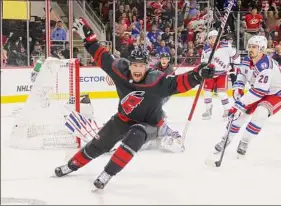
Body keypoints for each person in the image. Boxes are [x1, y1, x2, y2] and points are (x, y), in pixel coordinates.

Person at [54, 17, 215, 190]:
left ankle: (108, 173)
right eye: (134, 65)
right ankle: (71, 165)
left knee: (136, 134)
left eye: (141, 65)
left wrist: (199, 74)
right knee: (99, 143)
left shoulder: (157, 80)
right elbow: (101, 56)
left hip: (150, 124)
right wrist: (89, 38)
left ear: (147, 66)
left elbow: (180, 82)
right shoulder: (119, 71)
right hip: (124, 118)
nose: (137, 69)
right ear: (129, 65)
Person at [214, 35, 281, 157]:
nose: (250, 49)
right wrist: (238, 87)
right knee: (239, 115)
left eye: (254, 47)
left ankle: (244, 142)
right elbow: (242, 75)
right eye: (249, 46)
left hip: (277, 94)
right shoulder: (246, 60)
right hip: (260, 90)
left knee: (260, 113)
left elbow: (259, 92)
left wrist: (238, 105)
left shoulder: (266, 66)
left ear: (262, 49)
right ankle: (225, 140)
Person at [200, 30, 240, 120]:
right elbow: (202, 61)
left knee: (221, 93)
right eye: (211, 38)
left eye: (215, 37)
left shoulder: (226, 46)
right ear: (208, 39)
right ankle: (208, 109)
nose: (213, 40)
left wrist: (236, 66)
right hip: (210, 73)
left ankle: (226, 110)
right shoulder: (206, 49)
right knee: (207, 92)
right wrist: (204, 68)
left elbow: (235, 55)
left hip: (222, 73)